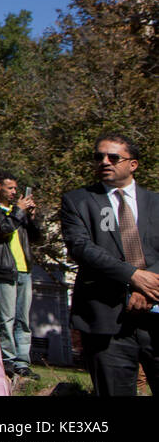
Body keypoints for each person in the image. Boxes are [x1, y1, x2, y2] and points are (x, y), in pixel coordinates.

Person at [60, 133, 159, 395]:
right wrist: (132, 276)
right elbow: (82, 248)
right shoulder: (78, 201)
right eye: (99, 157)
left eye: (113, 157)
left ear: (132, 164)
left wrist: (147, 285)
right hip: (106, 321)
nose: (104, 161)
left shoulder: (156, 203)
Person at [0, 169, 43, 379]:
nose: (14, 192)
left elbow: (36, 237)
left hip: (24, 269)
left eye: (16, 188)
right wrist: (18, 211)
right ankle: (8, 360)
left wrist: (31, 217)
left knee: (23, 319)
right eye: (10, 188)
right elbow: (0, 230)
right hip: (5, 270)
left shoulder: (19, 212)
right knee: (6, 318)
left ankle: (23, 362)